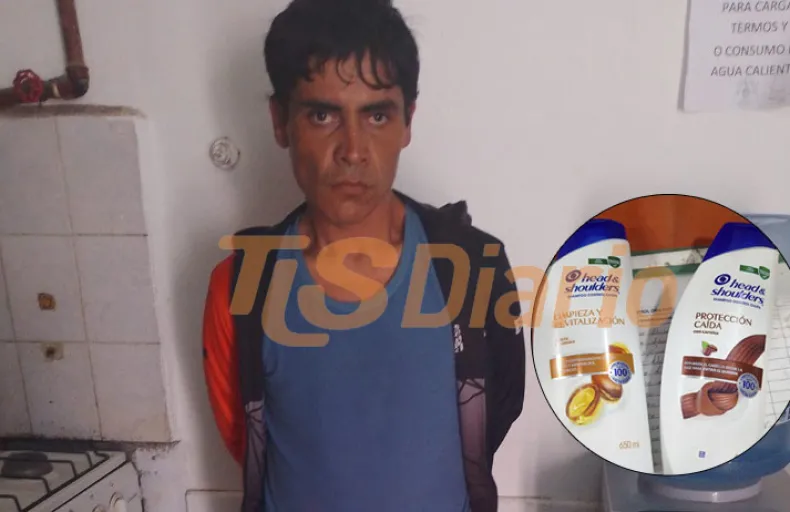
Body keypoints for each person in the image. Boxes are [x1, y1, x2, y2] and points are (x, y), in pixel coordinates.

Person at [201, 0, 526, 510]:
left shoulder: (472, 268)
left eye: (376, 115)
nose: (353, 150)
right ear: (280, 121)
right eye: (322, 115)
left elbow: (494, 409)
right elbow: (245, 440)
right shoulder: (240, 286)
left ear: (407, 122)